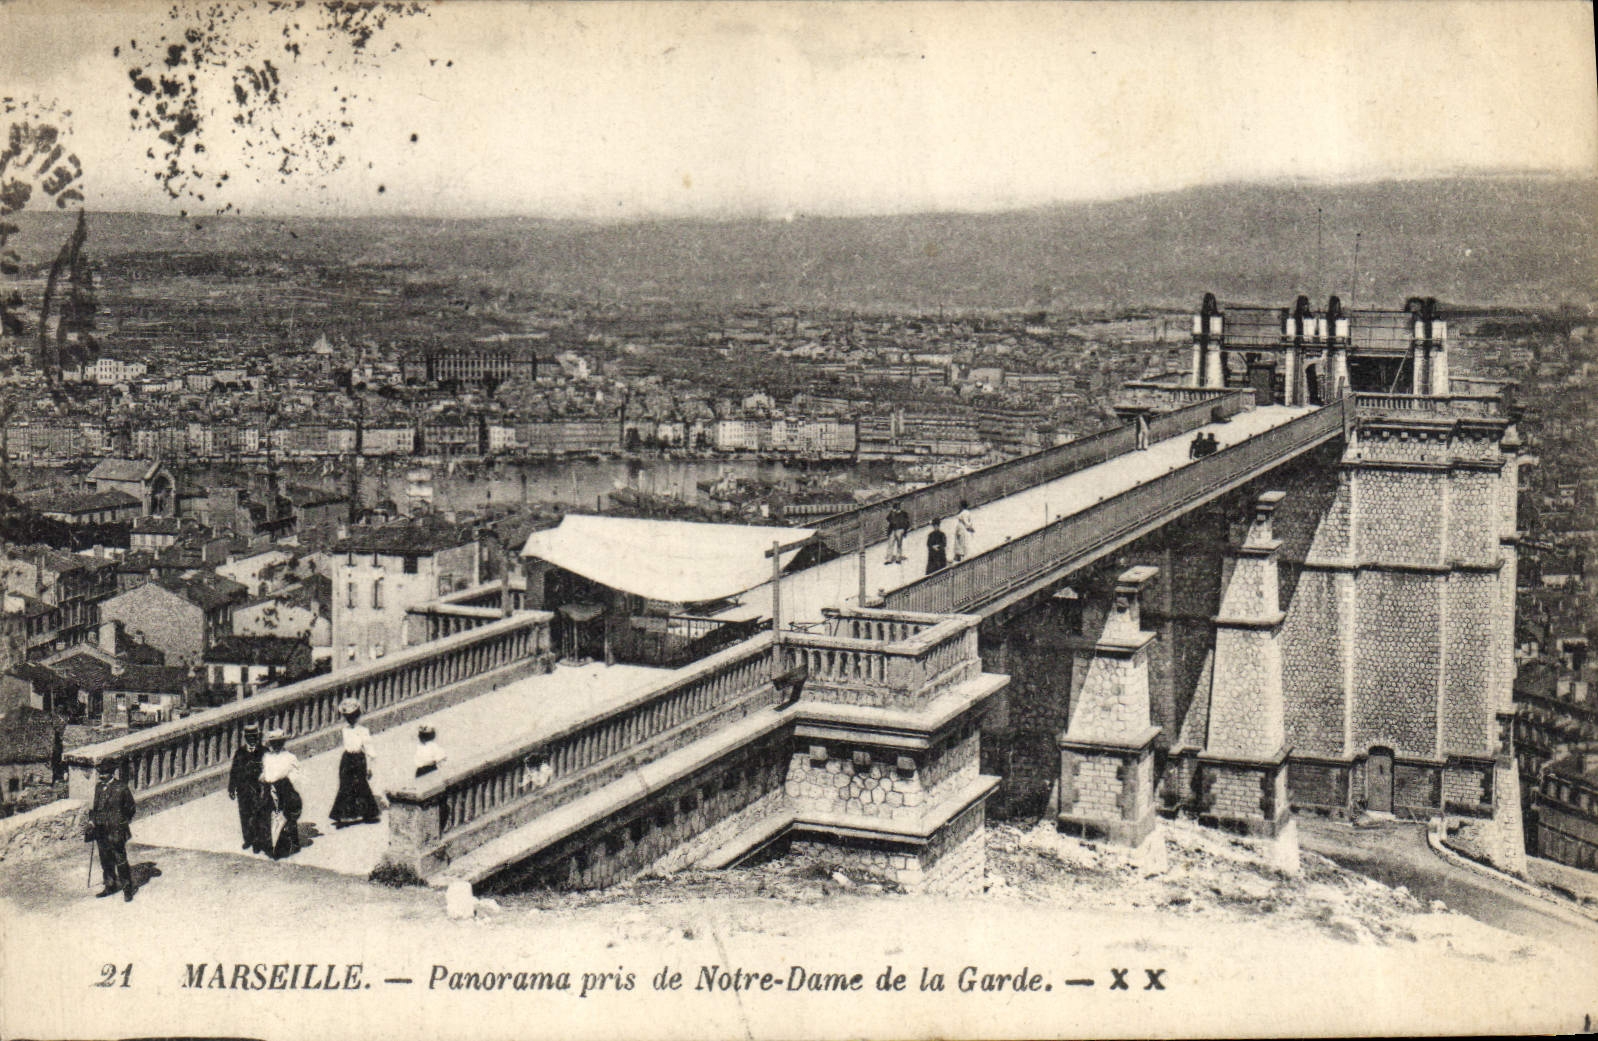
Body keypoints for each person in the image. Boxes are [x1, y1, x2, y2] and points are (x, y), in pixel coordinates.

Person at [85, 757, 137, 902]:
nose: (101, 775)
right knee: (105, 859)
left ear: (112, 773)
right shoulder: (99, 788)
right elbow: (95, 808)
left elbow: (130, 808)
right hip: (101, 830)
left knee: (120, 859)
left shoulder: (121, 787)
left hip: (116, 830)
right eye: (100, 773)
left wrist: (121, 822)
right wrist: (92, 820)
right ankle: (110, 885)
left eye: (105, 773)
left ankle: (128, 888)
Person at [329, 698, 381, 828]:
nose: (350, 720)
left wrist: (369, 768)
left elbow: (369, 749)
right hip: (347, 759)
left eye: (352, 717)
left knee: (361, 785)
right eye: (347, 717)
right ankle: (344, 814)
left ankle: (368, 813)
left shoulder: (363, 731)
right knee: (345, 785)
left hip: (359, 759)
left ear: (357, 716)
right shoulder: (344, 730)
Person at [227, 722, 271, 855]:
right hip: (243, 790)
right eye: (249, 737)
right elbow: (234, 771)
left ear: (258, 737)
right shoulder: (239, 753)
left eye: (254, 737)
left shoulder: (264, 752)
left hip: (259, 790)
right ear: (245, 737)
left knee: (259, 815)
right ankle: (248, 839)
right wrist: (231, 787)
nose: (252, 739)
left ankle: (259, 842)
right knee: (245, 814)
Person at [262, 729, 303, 860]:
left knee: (288, 815)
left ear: (283, 743)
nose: (276, 746)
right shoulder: (268, 757)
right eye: (273, 743)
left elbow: (297, 773)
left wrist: (290, 781)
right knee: (273, 814)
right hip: (271, 788)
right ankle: (273, 844)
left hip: (284, 787)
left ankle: (292, 843)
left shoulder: (289, 757)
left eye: (278, 743)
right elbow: (266, 773)